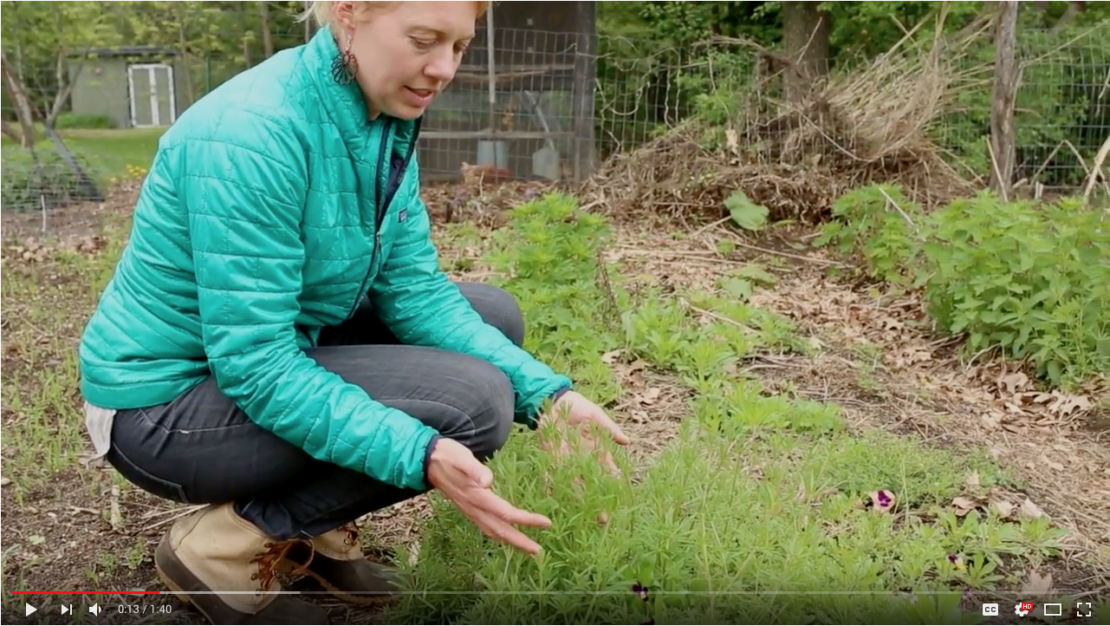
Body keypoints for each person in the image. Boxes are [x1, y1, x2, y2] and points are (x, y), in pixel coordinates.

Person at [76, 2, 630, 624]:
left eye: (460, 45)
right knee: (471, 403)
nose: (444, 68)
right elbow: (255, 364)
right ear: (349, 14)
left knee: (491, 317)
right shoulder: (254, 131)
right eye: (424, 39)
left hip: (268, 353)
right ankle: (224, 546)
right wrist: (416, 451)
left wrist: (548, 397)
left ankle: (313, 527)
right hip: (164, 410)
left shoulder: (380, 113)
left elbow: (415, 293)